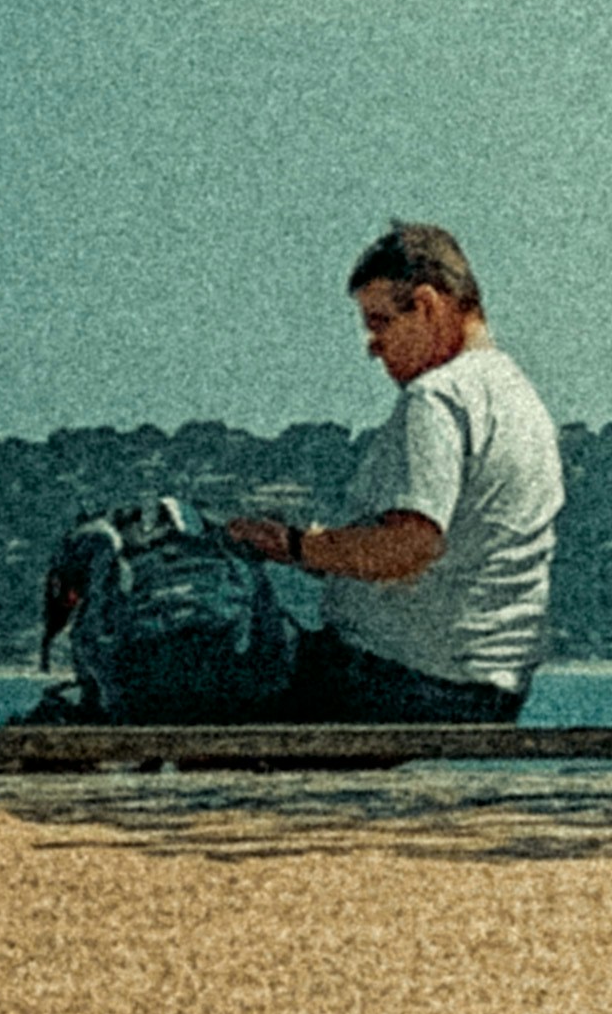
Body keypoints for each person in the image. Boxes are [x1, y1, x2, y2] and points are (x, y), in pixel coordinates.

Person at [227, 221, 563, 723]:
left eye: (380, 321)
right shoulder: (520, 396)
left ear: (427, 305)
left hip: (403, 682)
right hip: (491, 690)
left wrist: (291, 545)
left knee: (202, 661)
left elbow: (411, 546)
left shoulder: (438, 397)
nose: (371, 344)